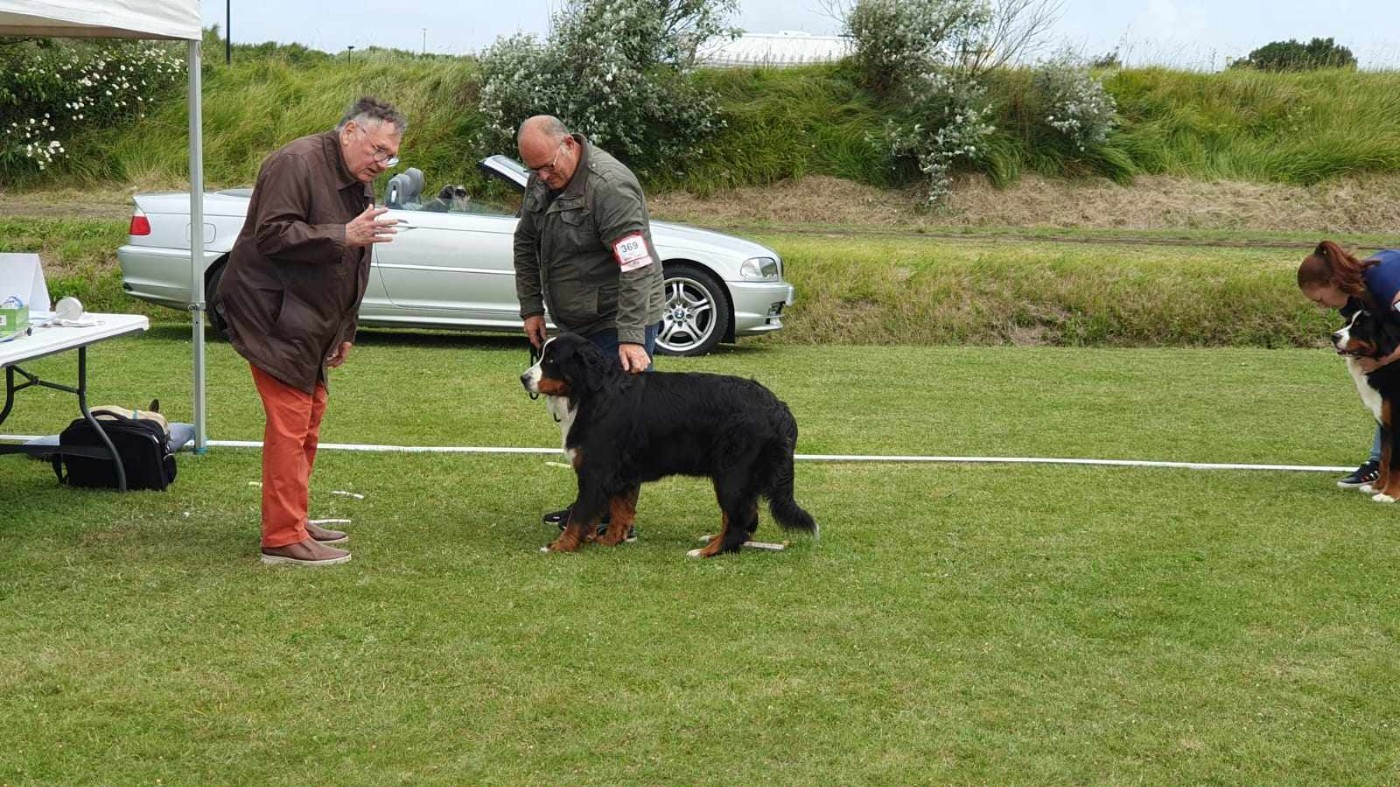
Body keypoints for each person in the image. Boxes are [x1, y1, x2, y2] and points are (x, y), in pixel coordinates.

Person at [214, 96, 405, 566]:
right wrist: (342, 234)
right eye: (378, 150)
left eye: (390, 155)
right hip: (271, 312)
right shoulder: (294, 163)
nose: (382, 163)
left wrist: (346, 328)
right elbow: (272, 235)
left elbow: (357, 259)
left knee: (310, 417)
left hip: (310, 318)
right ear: (349, 133)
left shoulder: (357, 178)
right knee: (291, 421)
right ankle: (282, 537)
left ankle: (293, 520)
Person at [512, 115, 666, 535]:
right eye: (534, 170)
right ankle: (593, 504)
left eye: (547, 166)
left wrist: (632, 338)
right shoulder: (541, 179)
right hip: (575, 319)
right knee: (585, 422)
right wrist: (531, 307)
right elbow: (525, 241)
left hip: (620, 317)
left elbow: (636, 265)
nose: (543, 177)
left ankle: (618, 519)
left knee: (619, 424)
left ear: (568, 144)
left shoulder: (610, 186)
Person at [1297, 240, 1400, 489]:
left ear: (1332, 282)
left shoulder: (1385, 282)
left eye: (1320, 300)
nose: (1322, 307)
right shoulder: (1351, 302)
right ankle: (1381, 464)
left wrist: (1386, 359)